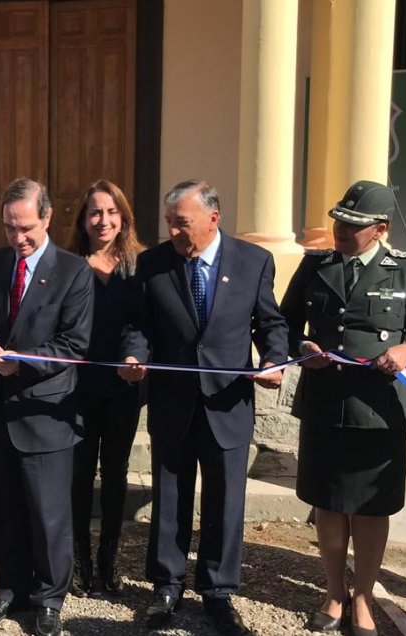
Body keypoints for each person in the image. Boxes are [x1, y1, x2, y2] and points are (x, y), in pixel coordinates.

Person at [119, 179, 288, 636]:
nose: (174, 232)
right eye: (170, 224)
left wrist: (274, 361)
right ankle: (166, 587)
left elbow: (270, 323)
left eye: (183, 224)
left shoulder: (254, 262)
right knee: (171, 497)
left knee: (226, 501)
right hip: (174, 402)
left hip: (227, 401)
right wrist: (135, 356)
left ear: (213, 218)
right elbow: (139, 326)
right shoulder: (152, 265)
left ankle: (218, 592)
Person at [282, 181, 406, 636]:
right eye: (338, 222)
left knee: (371, 507)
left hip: (379, 409)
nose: (340, 231)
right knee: (329, 504)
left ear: (380, 229)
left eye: (353, 225)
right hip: (326, 403)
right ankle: (334, 592)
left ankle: (364, 596)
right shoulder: (317, 266)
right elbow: (283, 322)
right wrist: (301, 347)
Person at [0, 178, 93, 636]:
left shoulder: (74, 271)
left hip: (46, 412)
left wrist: (18, 365)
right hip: (0, 411)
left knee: (48, 515)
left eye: (25, 229)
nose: (17, 239)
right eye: (8, 228)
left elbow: (73, 344)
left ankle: (48, 599)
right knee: (5, 510)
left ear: (47, 217)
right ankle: (9, 590)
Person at [66, 179, 147, 597]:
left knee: (114, 473)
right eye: (95, 212)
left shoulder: (140, 265)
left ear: (124, 217)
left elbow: (143, 324)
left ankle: (109, 559)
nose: (104, 220)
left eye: (112, 212)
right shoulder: (66, 263)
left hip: (123, 385)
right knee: (79, 474)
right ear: (83, 219)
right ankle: (78, 559)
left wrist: (136, 358)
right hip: (76, 387)